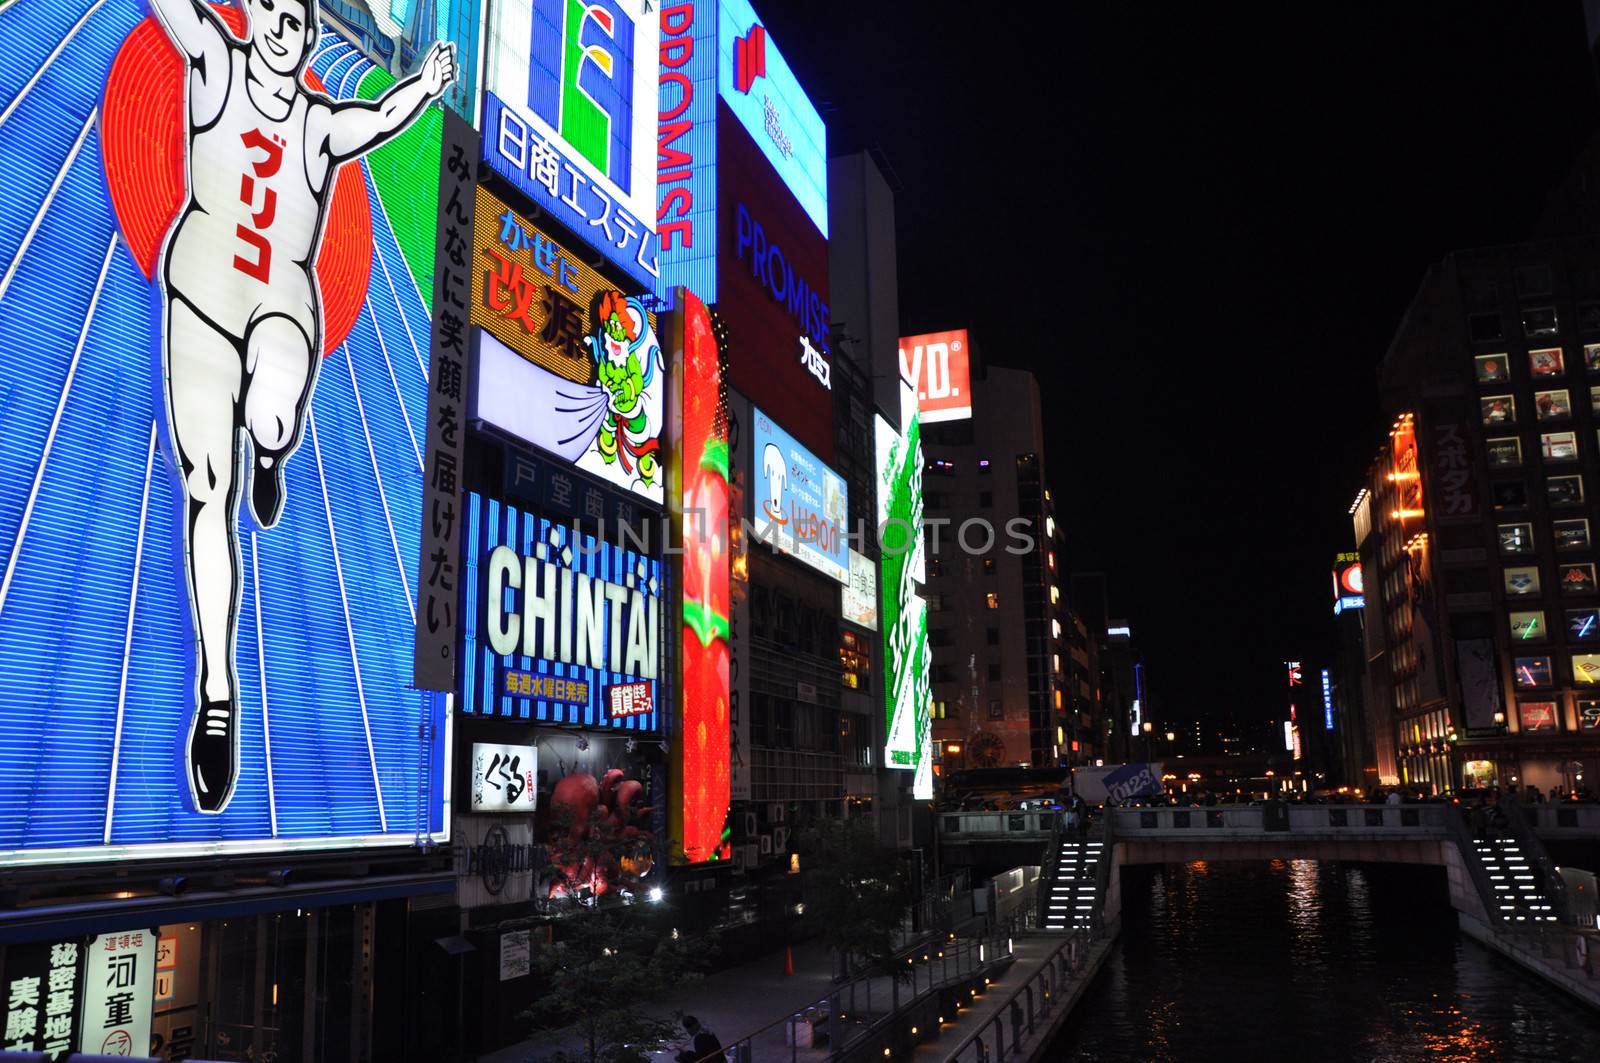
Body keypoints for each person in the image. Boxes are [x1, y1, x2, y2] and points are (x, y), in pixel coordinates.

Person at [147, 0, 455, 812]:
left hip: (282, 298)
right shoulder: (213, 60)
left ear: (311, 37)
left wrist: (424, 86)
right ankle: (218, 694)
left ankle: (274, 451)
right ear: (255, 17)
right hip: (201, 295)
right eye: (277, 16)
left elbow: (380, 117)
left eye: (300, 24)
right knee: (206, 490)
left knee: (273, 413)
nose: (286, 33)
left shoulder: (317, 126)